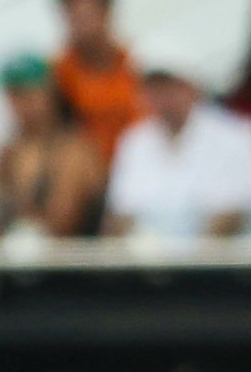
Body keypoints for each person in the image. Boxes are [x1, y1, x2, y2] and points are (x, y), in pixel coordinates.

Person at [103, 41, 251, 241]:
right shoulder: (134, 140)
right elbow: (121, 215)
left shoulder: (235, 136)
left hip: (221, 268)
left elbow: (229, 216)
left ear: (192, 86)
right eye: (152, 86)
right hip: (148, 266)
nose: (160, 96)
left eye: (168, 86)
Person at [0, 54, 106, 238]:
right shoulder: (9, 151)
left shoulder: (76, 150)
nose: (21, 104)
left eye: (28, 94)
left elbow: (62, 220)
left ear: (50, 93)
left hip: (69, 260)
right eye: (14, 95)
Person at [50, 0, 144, 165]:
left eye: (86, 15)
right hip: (89, 173)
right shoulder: (57, 74)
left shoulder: (139, 64)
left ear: (106, 10)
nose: (77, 23)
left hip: (139, 169)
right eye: (71, 14)